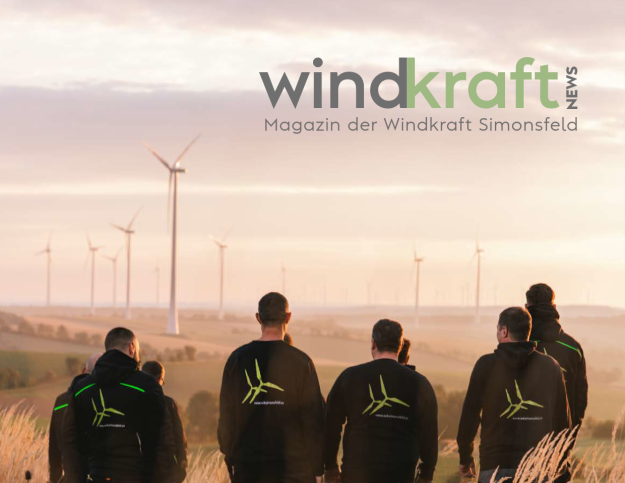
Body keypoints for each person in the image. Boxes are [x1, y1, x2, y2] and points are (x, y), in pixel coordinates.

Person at [218, 292, 325, 483]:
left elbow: (227, 415)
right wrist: (318, 468)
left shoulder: (237, 359)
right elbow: (313, 420)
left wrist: (231, 457)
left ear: (258, 318)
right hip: (294, 471)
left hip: (248, 469)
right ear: (288, 317)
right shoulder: (302, 362)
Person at [457, 307, 571, 483]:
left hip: (494, 466)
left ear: (504, 331)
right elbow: (562, 422)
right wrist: (561, 464)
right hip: (538, 467)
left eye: (497, 329)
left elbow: (470, 416)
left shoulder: (485, 365)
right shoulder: (550, 366)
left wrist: (465, 457)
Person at [324, 320, 438, 483]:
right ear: (400, 346)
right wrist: (426, 474)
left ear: (373, 343)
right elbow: (429, 435)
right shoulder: (420, 384)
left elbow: (330, 425)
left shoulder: (349, 377)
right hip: (401, 476)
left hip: (355, 475)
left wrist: (330, 467)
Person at [62, 327, 174, 483]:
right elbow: (162, 442)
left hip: (95, 476)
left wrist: (77, 478)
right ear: (132, 348)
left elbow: (70, 440)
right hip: (135, 477)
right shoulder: (147, 386)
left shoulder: (82, 388)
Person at [526, 283, 588, 429]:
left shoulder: (518, 345)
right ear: (554, 307)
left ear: (526, 308)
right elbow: (581, 396)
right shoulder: (573, 347)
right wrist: (570, 432)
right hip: (562, 435)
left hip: (523, 434)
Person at [49, 352, 101, 483]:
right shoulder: (103, 400)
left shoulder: (61, 401)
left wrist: (55, 479)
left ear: (84, 370)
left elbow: (54, 449)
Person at [142, 360, 188, 483]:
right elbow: (179, 437)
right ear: (159, 378)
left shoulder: (133, 402)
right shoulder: (169, 403)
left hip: (141, 469)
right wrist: (182, 463)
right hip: (166, 469)